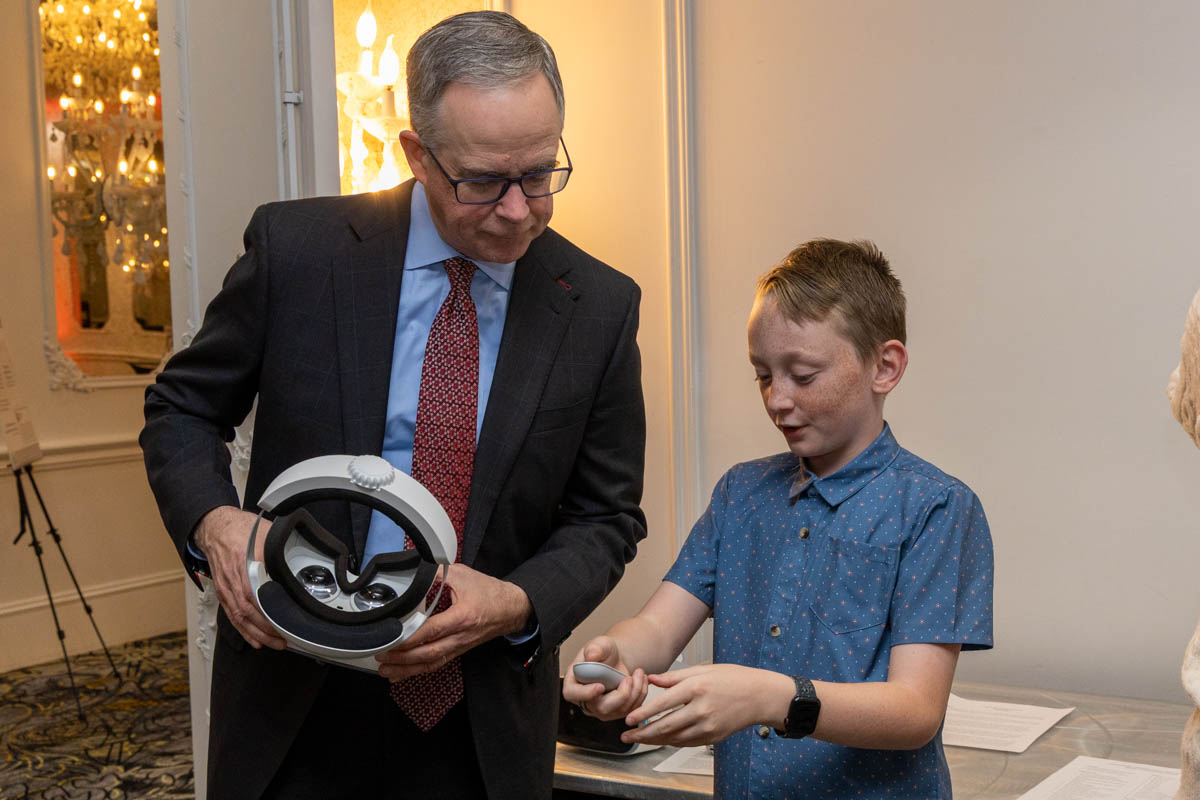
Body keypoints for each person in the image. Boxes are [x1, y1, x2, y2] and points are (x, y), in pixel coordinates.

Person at [140, 11, 646, 800]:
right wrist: (216, 523)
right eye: (484, 181)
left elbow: (606, 517)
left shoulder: (600, 306)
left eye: (540, 173)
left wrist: (514, 601)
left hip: (479, 722)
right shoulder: (298, 252)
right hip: (291, 698)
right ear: (417, 153)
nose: (519, 209)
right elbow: (182, 408)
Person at [563, 239, 994, 798]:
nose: (777, 399)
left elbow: (915, 711)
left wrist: (770, 698)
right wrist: (617, 656)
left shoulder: (936, 507)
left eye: (804, 375)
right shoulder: (741, 494)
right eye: (763, 375)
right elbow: (656, 628)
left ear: (884, 367)